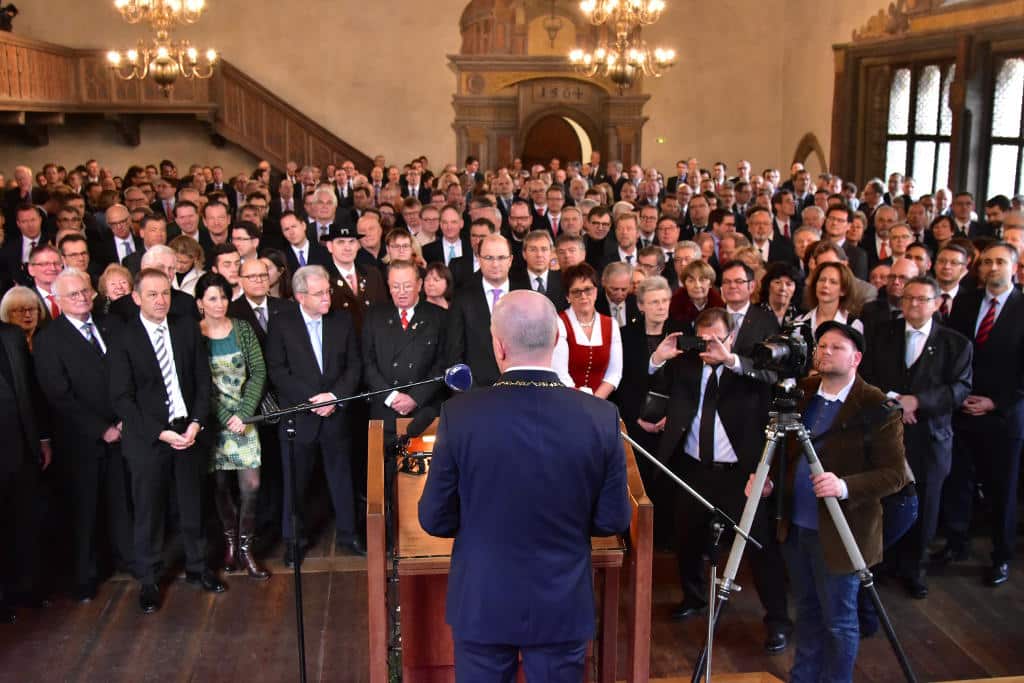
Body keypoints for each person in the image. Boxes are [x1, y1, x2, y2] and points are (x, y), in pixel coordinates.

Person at [419, 290, 632, 682]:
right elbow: (613, 519)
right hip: (562, 600)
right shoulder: (601, 417)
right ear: (555, 340)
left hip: (484, 598)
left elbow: (434, 518)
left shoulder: (460, 414)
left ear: (498, 345)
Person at [748, 321, 908, 682]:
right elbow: (781, 448)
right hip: (797, 525)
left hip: (843, 531)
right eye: (821, 346)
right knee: (806, 611)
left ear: (856, 358)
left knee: (838, 620)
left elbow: (894, 474)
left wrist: (844, 486)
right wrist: (766, 475)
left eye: (836, 347)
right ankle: (803, 677)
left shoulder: (876, 405)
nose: (825, 352)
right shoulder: (801, 392)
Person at [650, 306, 791, 651]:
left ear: (730, 337)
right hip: (694, 469)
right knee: (687, 539)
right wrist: (657, 358)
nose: (709, 347)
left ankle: (777, 620)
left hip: (741, 475)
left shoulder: (745, 368)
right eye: (703, 339)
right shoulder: (685, 364)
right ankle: (694, 597)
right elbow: (652, 386)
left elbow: (771, 379)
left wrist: (730, 360)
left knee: (759, 546)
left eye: (716, 339)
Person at [108, 268, 223, 615]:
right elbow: (122, 398)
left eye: (166, 294)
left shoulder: (186, 327)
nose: (161, 300)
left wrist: (196, 424)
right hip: (149, 438)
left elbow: (203, 381)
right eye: (153, 294)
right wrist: (160, 432)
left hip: (188, 431)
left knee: (193, 504)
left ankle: (199, 567)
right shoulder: (123, 337)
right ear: (137, 298)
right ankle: (149, 579)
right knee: (149, 511)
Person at [860, 275, 972, 598]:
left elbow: (960, 388)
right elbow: (866, 376)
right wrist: (897, 402)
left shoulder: (956, 343)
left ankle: (915, 569)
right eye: (908, 298)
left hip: (930, 437)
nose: (913, 304)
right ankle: (880, 562)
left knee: (926, 505)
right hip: (885, 434)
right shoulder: (882, 334)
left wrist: (919, 402)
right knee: (883, 500)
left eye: (922, 299)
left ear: (937, 304)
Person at [33, 268, 133, 602]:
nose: (81, 298)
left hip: (123, 430)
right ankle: (86, 575)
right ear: (59, 300)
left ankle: (127, 557)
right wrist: (101, 428)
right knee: (85, 508)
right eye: (73, 294)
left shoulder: (112, 325)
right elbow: (58, 395)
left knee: (122, 501)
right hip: (81, 440)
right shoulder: (49, 338)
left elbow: (131, 371)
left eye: (85, 291)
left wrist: (123, 420)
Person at [264, 265, 363, 564]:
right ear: (299, 296)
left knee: (342, 478)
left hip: (335, 414)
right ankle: (294, 540)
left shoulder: (342, 320)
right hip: (300, 417)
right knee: (295, 484)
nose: (326, 298)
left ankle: (349, 534)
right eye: (318, 293)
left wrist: (334, 397)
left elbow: (354, 366)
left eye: (327, 291)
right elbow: (277, 371)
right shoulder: (282, 324)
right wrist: (310, 400)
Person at [939, 242, 1024, 586]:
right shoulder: (967, 301)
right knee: (959, 481)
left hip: (1003, 414)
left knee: (1001, 488)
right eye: (987, 261)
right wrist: (960, 394)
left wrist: (995, 401)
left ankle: (1001, 555)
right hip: (962, 406)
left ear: (1014, 268)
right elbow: (954, 352)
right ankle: (956, 542)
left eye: (1000, 261)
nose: (992, 267)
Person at [195, 272, 270, 580]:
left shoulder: (242, 329)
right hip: (213, 422)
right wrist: (226, 417)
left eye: (224, 297)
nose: (220, 303)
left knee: (251, 486)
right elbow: (199, 384)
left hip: (245, 420)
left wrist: (243, 413)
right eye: (213, 298)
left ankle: (245, 548)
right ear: (200, 303)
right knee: (220, 486)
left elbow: (258, 372)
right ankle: (229, 542)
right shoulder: (194, 334)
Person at [361, 260, 448, 439]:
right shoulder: (374, 316)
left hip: (424, 412)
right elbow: (366, 362)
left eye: (407, 286)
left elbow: (442, 363)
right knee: (384, 465)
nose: (401, 292)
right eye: (395, 286)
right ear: (388, 286)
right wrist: (390, 396)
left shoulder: (439, 317)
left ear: (419, 285)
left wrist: (415, 398)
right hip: (384, 410)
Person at [552, 262, 621, 396]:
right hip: (566, 400)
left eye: (588, 289)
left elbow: (614, 373)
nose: (583, 296)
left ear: (595, 292)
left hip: (599, 403)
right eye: (576, 292)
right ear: (568, 296)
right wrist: (584, 403)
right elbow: (560, 375)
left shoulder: (611, 324)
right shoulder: (559, 323)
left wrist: (595, 402)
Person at [794, 262, 864, 334]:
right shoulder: (800, 321)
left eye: (833, 282)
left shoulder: (853, 325)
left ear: (843, 290)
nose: (825, 285)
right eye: (822, 280)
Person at [0, 285, 46, 350]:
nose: (28, 315)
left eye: (31, 309)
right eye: (21, 310)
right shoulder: (2, 342)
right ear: (8, 313)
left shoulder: (49, 338)